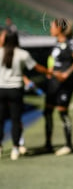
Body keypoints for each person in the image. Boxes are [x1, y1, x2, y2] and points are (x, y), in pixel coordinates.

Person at [0, 29, 50, 160]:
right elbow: (36, 67)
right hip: (15, 90)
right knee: (16, 120)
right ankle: (15, 148)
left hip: (1, 89)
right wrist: (49, 72)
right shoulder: (22, 54)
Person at [44, 18, 73, 156]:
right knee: (47, 111)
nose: (50, 29)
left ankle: (68, 144)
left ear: (59, 28)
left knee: (62, 112)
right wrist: (50, 70)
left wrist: (67, 73)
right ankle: (48, 144)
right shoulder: (56, 43)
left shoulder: (70, 43)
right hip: (53, 83)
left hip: (65, 85)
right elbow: (52, 60)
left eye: (52, 26)